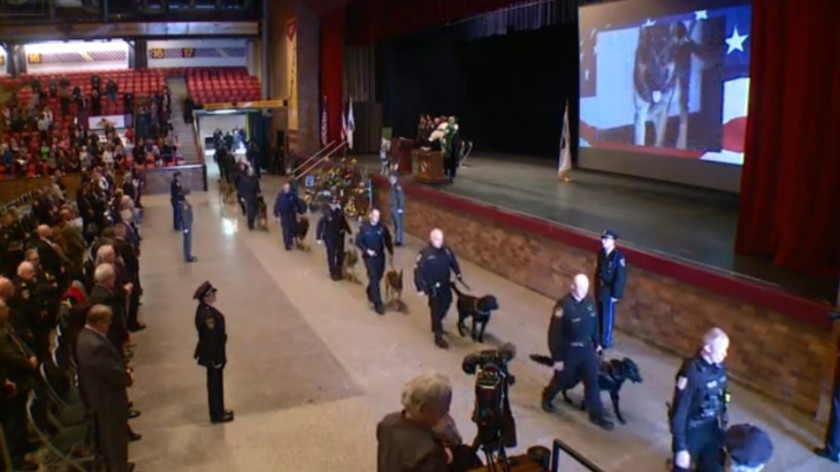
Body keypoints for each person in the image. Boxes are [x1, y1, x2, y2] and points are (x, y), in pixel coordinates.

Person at [541, 274, 614, 431]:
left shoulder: (589, 303)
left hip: (587, 350)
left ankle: (597, 415)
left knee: (592, 382)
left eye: (586, 288)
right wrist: (557, 358)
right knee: (561, 380)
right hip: (569, 351)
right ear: (572, 286)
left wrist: (597, 344)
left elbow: (594, 325)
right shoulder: (563, 306)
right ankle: (547, 397)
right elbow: (554, 334)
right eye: (580, 288)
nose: (583, 291)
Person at [76, 304, 133, 472]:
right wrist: (127, 377)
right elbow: (109, 371)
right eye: (107, 322)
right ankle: (118, 468)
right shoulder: (96, 345)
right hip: (106, 397)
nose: (109, 326)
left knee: (109, 435)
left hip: (98, 394)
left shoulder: (85, 336)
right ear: (99, 322)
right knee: (114, 437)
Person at [669, 328, 730, 472]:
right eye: (721, 350)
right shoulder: (692, 372)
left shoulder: (719, 367)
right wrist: (680, 447)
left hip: (712, 427)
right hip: (692, 429)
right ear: (707, 348)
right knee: (682, 467)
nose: (725, 354)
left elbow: (724, 394)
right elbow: (679, 411)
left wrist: (724, 417)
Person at [377, 372, 453, 472]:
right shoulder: (430, 453)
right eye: (442, 410)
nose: (446, 412)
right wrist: (443, 455)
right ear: (424, 408)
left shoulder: (387, 422)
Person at [413, 229, 462, 349]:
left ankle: (437, 323)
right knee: (435, 309)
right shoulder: (425, 254)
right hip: (433, 287)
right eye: (437, 239)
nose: (440, 241)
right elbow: (418, 271)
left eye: (441, 239)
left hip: (445, 284)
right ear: (431, 239)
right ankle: (438, 336)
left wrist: (458, 273)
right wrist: (420, 287)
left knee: (447, 302)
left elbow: (453, 262)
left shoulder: (446, 251)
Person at [193, 281, 233, 424]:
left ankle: (219, 410)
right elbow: (211, 339)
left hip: (215, 353)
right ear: (206, 297)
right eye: (212, 294)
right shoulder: (207, 316)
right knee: (215, 385)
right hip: (213, 355)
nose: (214, 295)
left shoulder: (205, 310)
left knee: (216, 384)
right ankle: (216, 414)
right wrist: (215, 358)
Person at [356, 209, 394, 315]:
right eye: (375, 216)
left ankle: (370, 290)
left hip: (380, 256)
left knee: (378, 276)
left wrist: (391, 252)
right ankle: (378, 303)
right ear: (370, 216)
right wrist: (367, 250)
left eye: (378, 216)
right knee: (374, 277)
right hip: (369, 257)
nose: (377, 218)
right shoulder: (364, 228)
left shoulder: (382, 228)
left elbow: (387, 240)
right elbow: (358, 241)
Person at [594, 229, 626, 349]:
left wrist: (616, 294)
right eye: (603, 239)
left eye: (606, 239)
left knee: (607, 315)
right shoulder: (601, 253)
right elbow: (598, 271)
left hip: (609, 289)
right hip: (601, 287)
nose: (604, 241)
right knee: (600, 312)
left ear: (613, 241)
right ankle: (599, 336)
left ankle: (606, 340)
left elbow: (620, 276)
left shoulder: (618, 257)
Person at [316, 200, 352, 281]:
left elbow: (344, 222)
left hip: (339, 236)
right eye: (335, 204)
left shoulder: (339, 212)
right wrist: (318, 237)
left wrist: (349, 231)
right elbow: (320, 224)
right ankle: (333, 274)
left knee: (340, 255)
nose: (336, 205)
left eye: (337, 204)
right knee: (331, 256)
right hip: (329, 237)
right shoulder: (327, 213)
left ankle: (339, 272)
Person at [273, 182, 303, 250]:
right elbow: (277, 205)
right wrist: (276, 214)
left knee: (292, 229)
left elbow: (297, 203)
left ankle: (290, 241)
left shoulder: (292, 196)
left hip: (291, 214)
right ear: (283, 189)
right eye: (286, 188)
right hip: (284, 215)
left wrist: (299, 211)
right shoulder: (280, 196)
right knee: (286, 230)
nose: (287, 189)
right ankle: (287, 245)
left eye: (288, 188)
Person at [237, 166, 261, 230]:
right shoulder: (245, 179)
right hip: (249, 196)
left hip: (252, 196)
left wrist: (258, 192)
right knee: (251, 210)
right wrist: (241, 196)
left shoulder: (252, 179)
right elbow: (241, 188)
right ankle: (250, 224)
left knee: (253, 210)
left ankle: (251, 223)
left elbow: (257, 187)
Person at [389, 173, 406, 247]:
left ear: (395, 178)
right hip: (393, 207)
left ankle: (399, 241)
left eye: (391, 177)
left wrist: (400, 208)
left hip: (397, 207)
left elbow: (401, 197)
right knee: (396, 224)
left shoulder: (397, 186)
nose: (389, 179)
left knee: (399, 224)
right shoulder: (392, 186)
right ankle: (397, 239)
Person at [181, 189, 197, 263]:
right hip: (187, 226)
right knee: (187, 241)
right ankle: (187, 256)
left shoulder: (186, 203)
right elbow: (184, 217)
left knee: (188, 240)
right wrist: (185, 228)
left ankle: (188, 254)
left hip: (188, 224)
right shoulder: (185, 205)